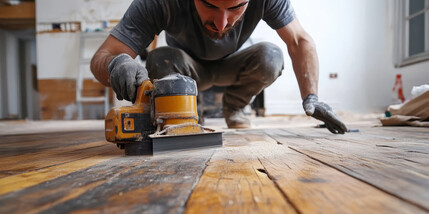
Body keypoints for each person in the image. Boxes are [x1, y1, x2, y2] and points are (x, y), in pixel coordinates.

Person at [90, 0, 348, 134]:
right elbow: (104, 54)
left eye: (236, 8)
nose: (222, 23)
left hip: (231, 64)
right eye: (210, 5)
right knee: (160, 59)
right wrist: (116, 63)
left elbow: (300, 40)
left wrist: (312, 96)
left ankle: (234, 107)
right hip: (183, 69)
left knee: (271, 56)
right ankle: (189, 111)